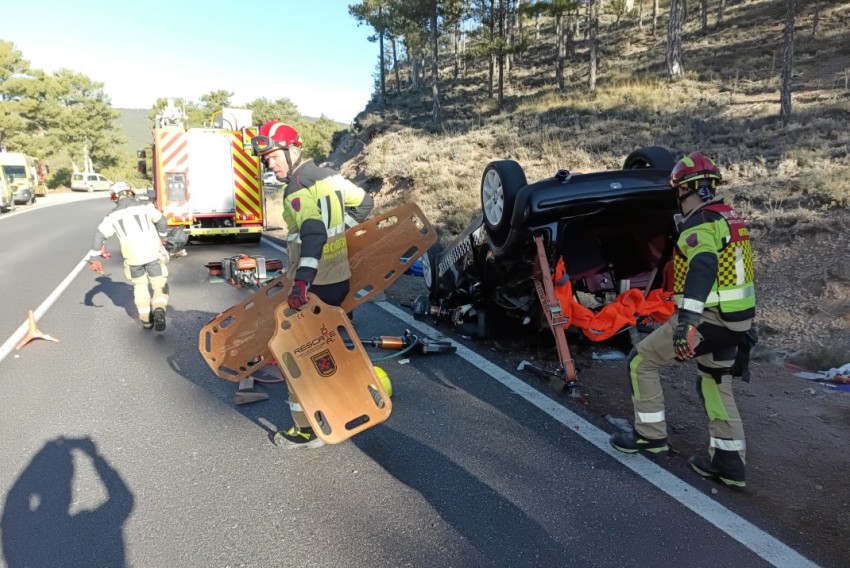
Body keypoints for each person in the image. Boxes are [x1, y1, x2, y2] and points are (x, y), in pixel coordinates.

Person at [609, 152, 756, 489]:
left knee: (640, 362)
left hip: (709, 319)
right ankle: (729, 463)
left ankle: (649, 436)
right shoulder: (729, 218)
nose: (678, 199)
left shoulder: (700, 224)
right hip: (736, 323)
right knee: (715, 381)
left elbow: (703, 265)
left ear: (689, 189)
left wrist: (686, 321)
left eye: (679, 192)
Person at [251, 121, 374, 449]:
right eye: (266, 160)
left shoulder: (297, 188)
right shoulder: (330, 176)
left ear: (293, 151)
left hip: (315, 285)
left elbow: (314, 233)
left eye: (274, 156)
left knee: (299, 356)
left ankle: (305, 431)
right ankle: (349, 406)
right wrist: (341, 232)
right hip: (339, 280)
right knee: (333, 346)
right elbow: (365, 204)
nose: (270, 164)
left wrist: (301, 284)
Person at [86, 182, 170, 331]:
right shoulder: (146, 208)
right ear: (131, 193)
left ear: (115, 197)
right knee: (159, 283)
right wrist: (163, 237)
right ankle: (159, 308)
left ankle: (146, 321)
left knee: (140, 286)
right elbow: (162, 221)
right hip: (152, 255)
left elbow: (98, 236)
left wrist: (94, 258)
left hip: (133, 258)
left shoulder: (111, 216)